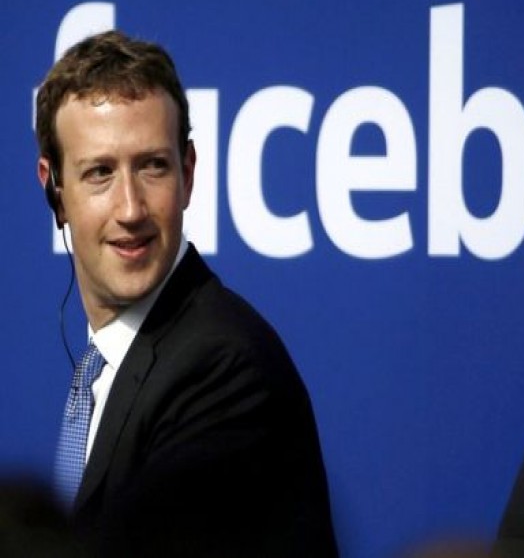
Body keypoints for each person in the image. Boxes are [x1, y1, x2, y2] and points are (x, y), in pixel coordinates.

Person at [35, 30, 339, 557]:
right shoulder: (110, 361)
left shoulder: (222, 370)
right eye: (100, 173)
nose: (131, 209)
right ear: (54, 190)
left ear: (189, 173)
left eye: (153, 166)